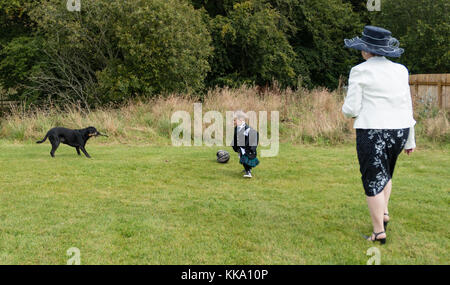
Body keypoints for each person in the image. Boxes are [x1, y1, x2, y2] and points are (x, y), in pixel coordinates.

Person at [342, 26, 416, 244]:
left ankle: (378, 232)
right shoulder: (401, 70)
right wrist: (410, 139)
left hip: (373, 130)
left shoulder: (360, 71)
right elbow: (407, 106)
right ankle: (383, 213)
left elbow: (352, 109)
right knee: (386, 173)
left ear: (366, 50)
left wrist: (344, 110)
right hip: (399, 131)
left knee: (372, 179)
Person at [232, 110, 259, 178]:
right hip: (241, 147)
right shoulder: (236, 128)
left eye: (235, 120)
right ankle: (247, 169)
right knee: (242, 159)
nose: (234, 122)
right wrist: (235, 146)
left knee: (245, 160)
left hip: (246, 148)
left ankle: (248, 172)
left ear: (240, 120)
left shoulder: (247, 129)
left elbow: (254, 135)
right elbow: (235, 137)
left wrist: (251, 148)